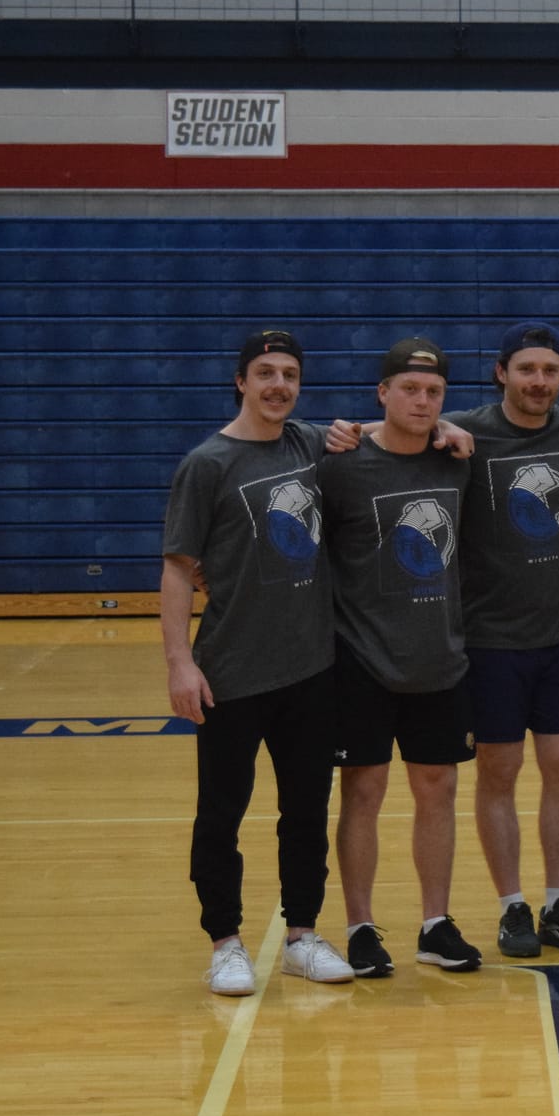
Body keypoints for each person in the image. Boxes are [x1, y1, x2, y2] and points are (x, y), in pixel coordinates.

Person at [161, 328, 352, 996]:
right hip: (232, 671)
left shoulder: (308, 442)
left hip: (310, 668)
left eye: (290, 374)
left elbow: (389, 430)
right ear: (240, 380)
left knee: (306, 809)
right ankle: (226, 942)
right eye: (265, 372)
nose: (279, 384)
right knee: (222, 812)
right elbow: (180, 569)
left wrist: (448, 429)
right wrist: (180, 663)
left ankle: (301, 935)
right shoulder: (207, 463)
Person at [320, 338, 484, 979]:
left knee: (437, 788)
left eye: (434, 393)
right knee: (363, 789)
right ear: (381, 393)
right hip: (360, 656)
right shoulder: (340, 462)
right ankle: (360, 926)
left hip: (439, 654)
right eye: (409, 389)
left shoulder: (457, 459)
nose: (421, 401)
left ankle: (435, 924)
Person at [450, 322, 559, 960]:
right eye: (527, 370)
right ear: (501, 373)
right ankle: (511, 906)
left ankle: (558, 901)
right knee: (499, 771)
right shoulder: (464, 430)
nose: (539, 382)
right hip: (489, 639)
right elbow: (389, 430)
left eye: (550, 371)